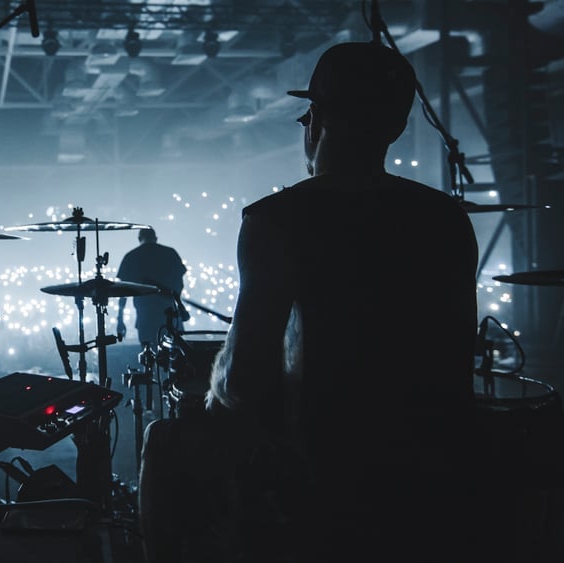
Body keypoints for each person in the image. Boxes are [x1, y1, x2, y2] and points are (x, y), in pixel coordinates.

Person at [187, 41, 493, 561]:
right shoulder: (447, 219)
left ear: (316, 120)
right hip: (434, 477)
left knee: (168, 448)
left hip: (318, 481)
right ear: (394, 128)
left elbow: (247, 375)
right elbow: (456, 354)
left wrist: (215, 407)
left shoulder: (275, 219)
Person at [116, 227, 188, 349]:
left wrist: (120, 319)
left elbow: (123, 292)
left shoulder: (131, 257)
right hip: (171, 315)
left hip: (146, 316)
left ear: (139, 239)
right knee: (177, 356)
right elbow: (179, 284)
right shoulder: (170, 253)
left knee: (149, 356)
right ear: (155, 238)